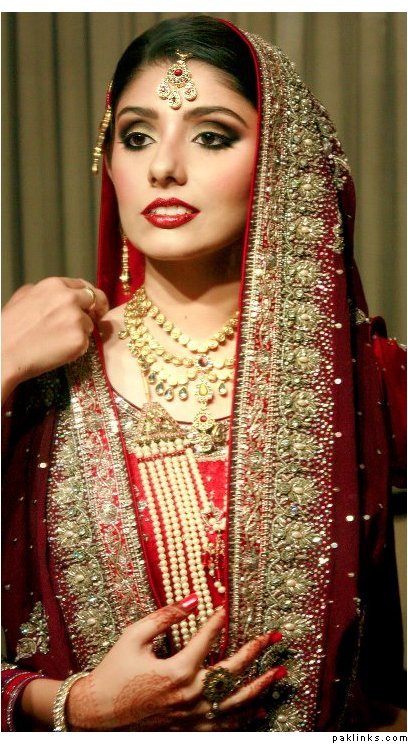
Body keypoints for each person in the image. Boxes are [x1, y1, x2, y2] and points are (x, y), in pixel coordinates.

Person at [1, 14, 406, 732]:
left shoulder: (365, 378)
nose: (164, 167)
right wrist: (75, 705)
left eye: (212, 136)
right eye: (137, 136)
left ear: (282, 160)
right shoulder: (37, 376)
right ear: (108, 163)